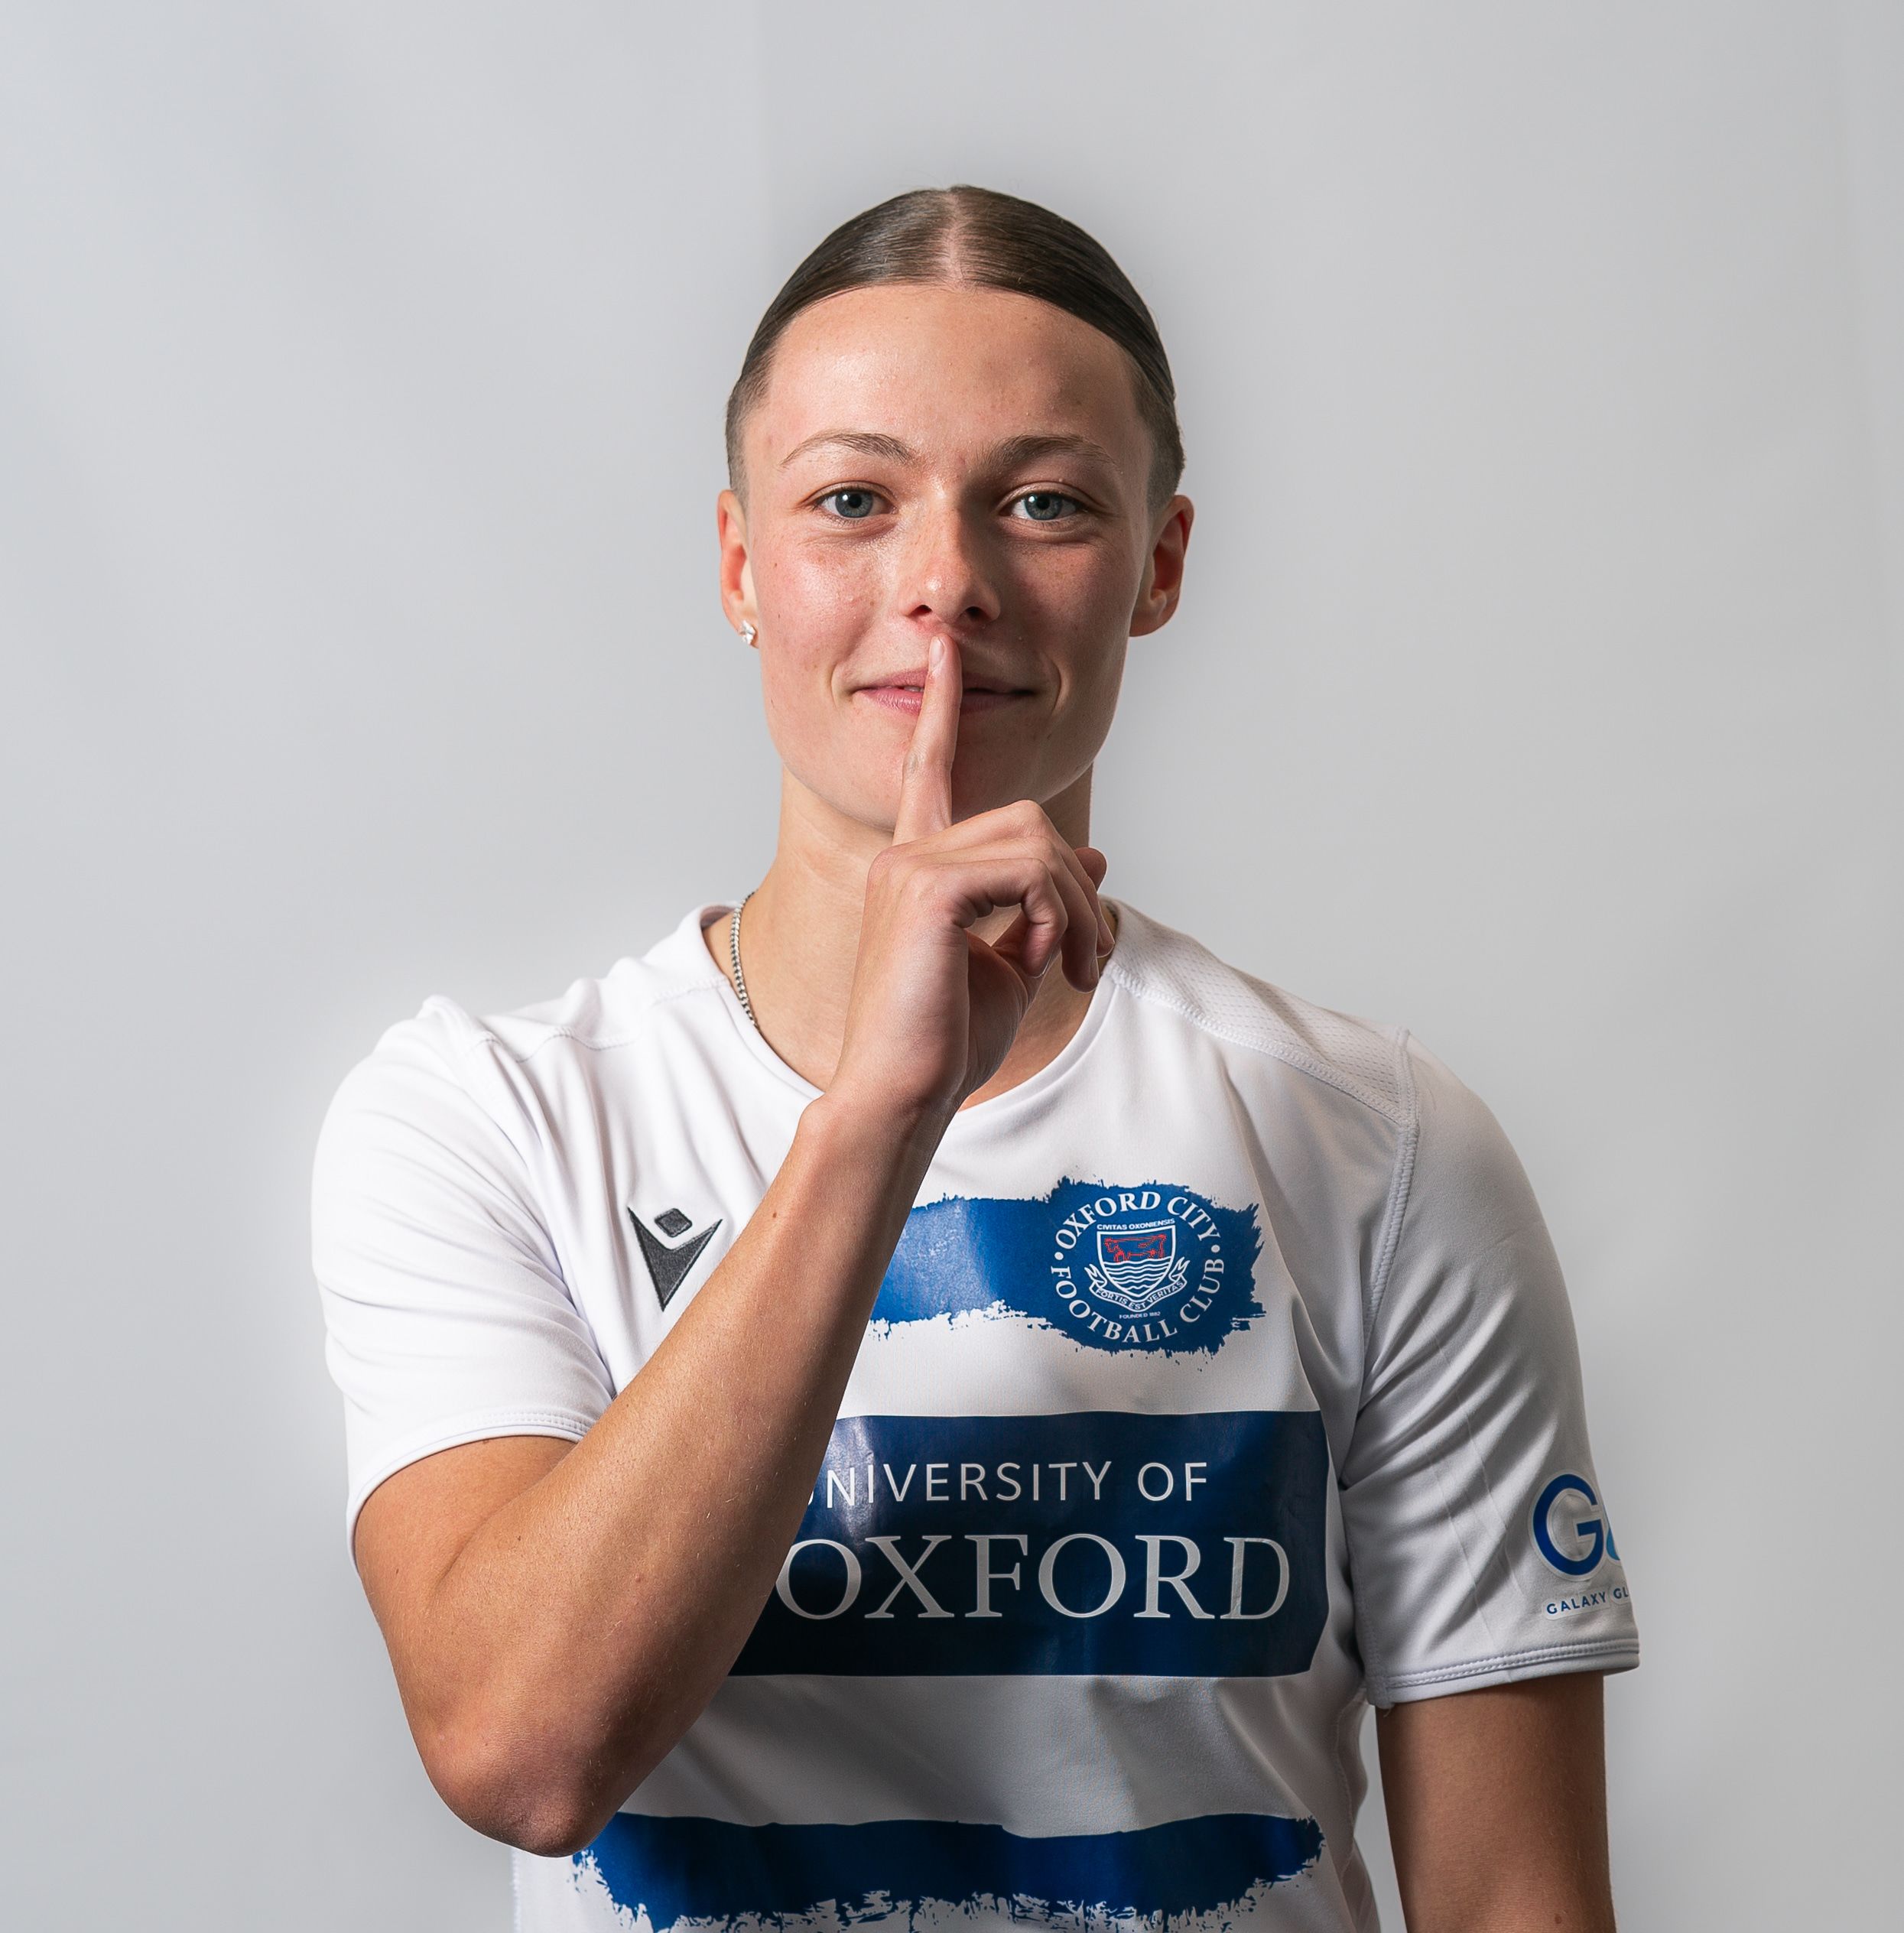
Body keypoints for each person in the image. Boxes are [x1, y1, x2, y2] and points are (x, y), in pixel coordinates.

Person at [312, 185, 1638, 1933]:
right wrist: (881, 1113)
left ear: (1160, 566)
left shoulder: (1377, 1145)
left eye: (1044, 502)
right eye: (852, 500)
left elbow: (1515, 1900)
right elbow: (521, 1745)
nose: (945, 585)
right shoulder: (490, 1118)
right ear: (740, 565)